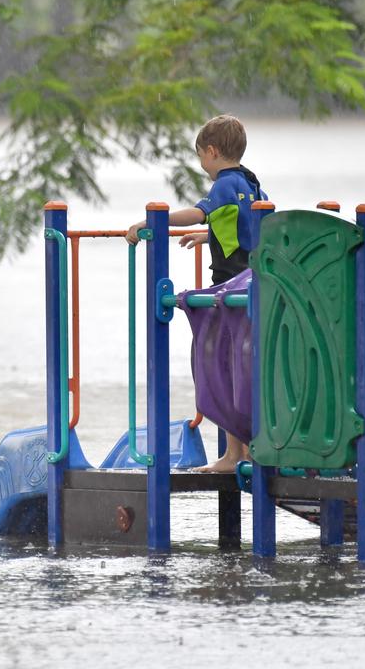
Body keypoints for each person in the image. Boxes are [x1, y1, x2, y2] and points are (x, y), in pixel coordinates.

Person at [126, 114, 267, 472]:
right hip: (251, 284)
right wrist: (211, 237)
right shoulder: (253, 184)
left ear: (211, 151)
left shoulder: (223, 183)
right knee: (242, 366)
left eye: (201, 157)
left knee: (222, 365)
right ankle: (246, 453)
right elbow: (250, 226)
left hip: (226, 290)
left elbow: (199, 212)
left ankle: (234, 455)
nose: (202, 165)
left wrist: (154, 222)